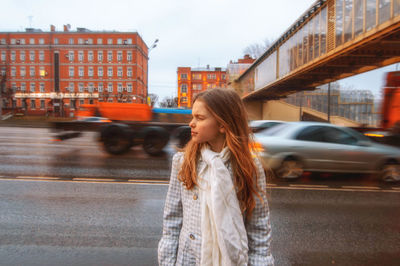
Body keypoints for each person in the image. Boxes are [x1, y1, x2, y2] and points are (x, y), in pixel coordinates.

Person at [158, 88, 274, 265]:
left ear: (222, 124)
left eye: (200, 118)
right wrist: (167, 262)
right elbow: (172, 219)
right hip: (189, 260)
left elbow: (258, 227)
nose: (191, 123)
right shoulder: (183, 162)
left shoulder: (248, 167)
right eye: (192, 116)